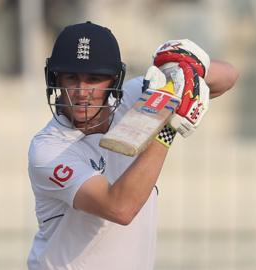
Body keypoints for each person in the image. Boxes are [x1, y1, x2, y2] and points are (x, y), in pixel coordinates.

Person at [27, 21, 239, 270]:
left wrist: (184, 69)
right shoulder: (48, 149)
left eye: (94, 79)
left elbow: (228, 75)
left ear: (114, 82)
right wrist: (167, 126)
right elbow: (120, 207)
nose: (81, 91)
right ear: (55, 78)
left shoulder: (135, 97)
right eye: (71, 77)